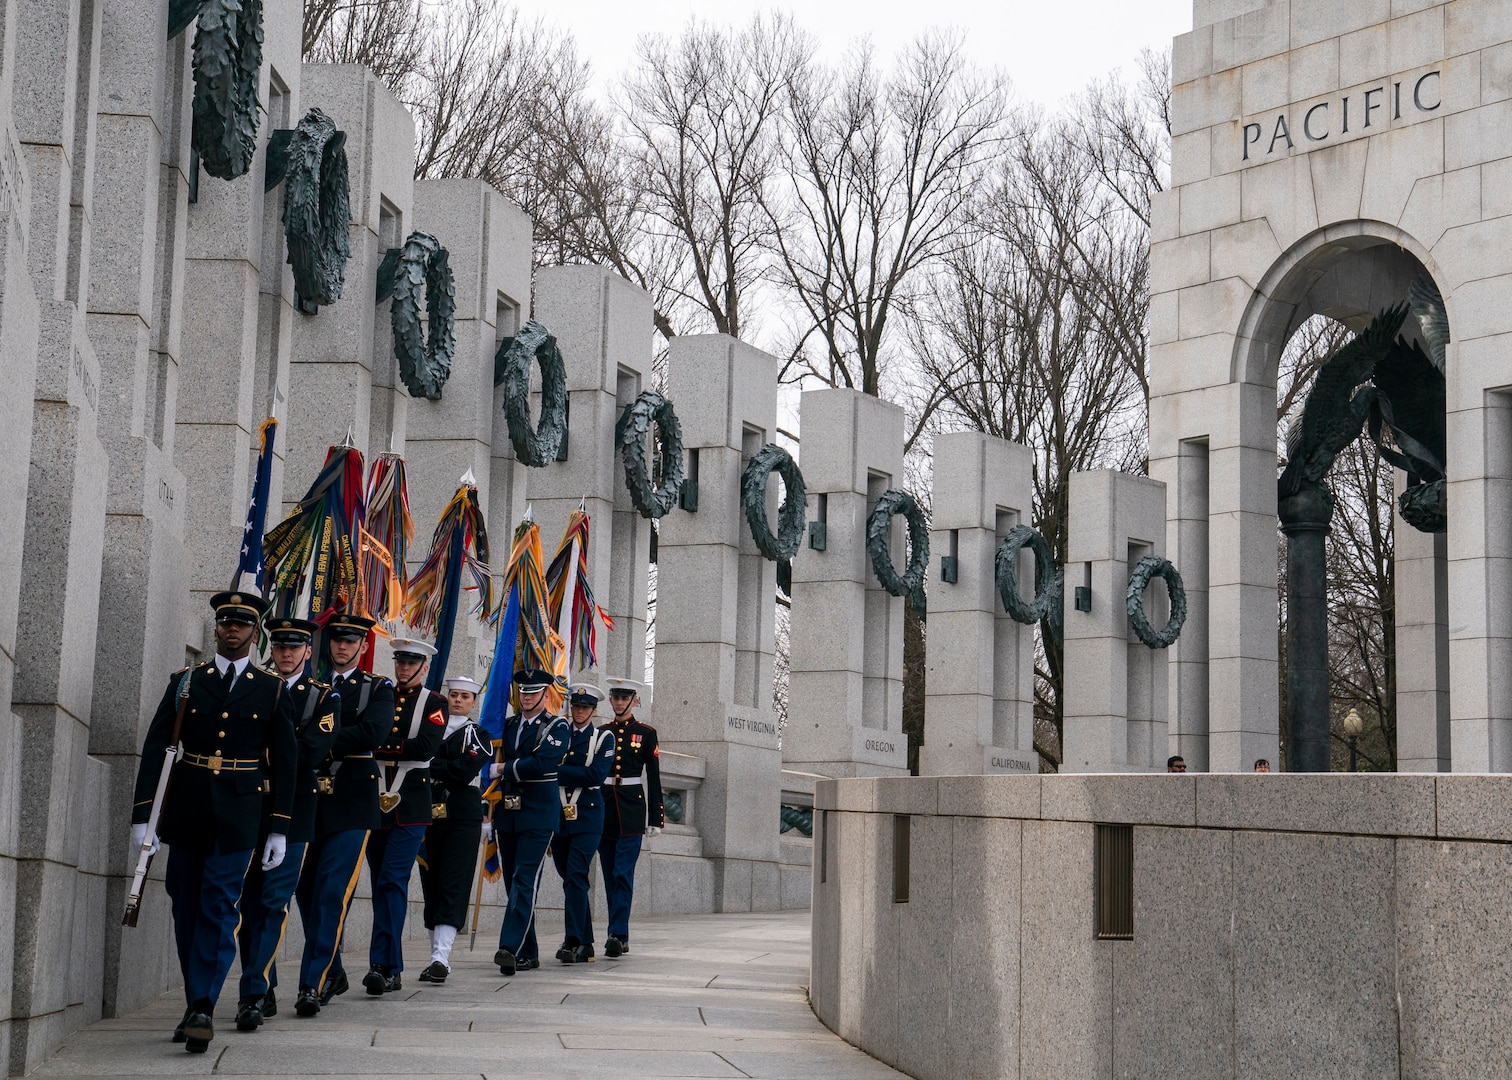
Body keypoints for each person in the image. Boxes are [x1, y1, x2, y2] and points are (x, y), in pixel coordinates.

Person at [129, 591, 297, 1053]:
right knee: (185, 907)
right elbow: (156, 748)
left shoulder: (272, 689)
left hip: (241, 815)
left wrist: (279, 827)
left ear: (254, 631)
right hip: (186, 811)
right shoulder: (186, 682)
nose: (232, 630)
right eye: (226, 622)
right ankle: (193, 1001)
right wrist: (144, 819)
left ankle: (202, 1005)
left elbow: (285, 763)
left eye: (242, 623)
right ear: (217, 627)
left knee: (220, 907)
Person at [234, 618, 338, 1032]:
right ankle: (264, 986)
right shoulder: (255, 684)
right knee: (249, 903)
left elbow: (312, 753)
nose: (287, 654)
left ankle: (252, 993)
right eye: (280, 647)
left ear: (308, 652)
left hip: (294, 810)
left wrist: (267, 747)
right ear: (270, 649)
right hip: (248, 808)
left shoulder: (322, 698)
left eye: (295, 648)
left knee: (275, 901)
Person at [291, 612, 393, 1017]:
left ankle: (310, 984)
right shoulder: (311, 687)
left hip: (353, 800)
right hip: (310, 798)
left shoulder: (377, 688)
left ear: (364, 646)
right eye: (336, 640)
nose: (343, 646)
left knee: (333, 891)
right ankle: (332, 968)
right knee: (303, 889)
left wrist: (317, 738)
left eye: (351, 641)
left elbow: (374, 733)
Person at [362, 637, 447, 996]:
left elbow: (425, 747)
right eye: (400, 662)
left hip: (411, 803)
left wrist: (379, 743)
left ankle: (386, 966)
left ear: (424, 667)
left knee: (392, 880)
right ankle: (385, 964)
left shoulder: (435, 703)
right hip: (373, 799)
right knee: (378, 882)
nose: (403, 668)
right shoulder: (380, 694)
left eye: (411, 663)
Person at [489, 667, 569, 976]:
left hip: (539, 814)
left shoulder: (557, 727)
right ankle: (528, 951)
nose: (526, 697)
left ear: (545, 695)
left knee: (525, 878)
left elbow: (541, 764)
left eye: (533, 692)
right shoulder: (507, 725)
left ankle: (508, 947)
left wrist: (503, 769)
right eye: (522, 691)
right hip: (508, 814)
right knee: (513, 883)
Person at [417, 675, 491, 984]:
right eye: (453, 695)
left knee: (453, 881)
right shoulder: (429, 727)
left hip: (462, 813)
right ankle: (434, 953)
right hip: (427, 809)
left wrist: (430, 764)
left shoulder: (478, 734)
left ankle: (441, 957)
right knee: (430, 881)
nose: (458, 700)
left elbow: (463, 770)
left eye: (464, 696)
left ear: (473, 702)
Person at [597, 676, 664, 958]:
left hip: (632, 811)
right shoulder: (601, 732)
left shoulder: (646, 733)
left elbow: (654, 777)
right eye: (616, 698)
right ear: (611, 700)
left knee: (623, 873)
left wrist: (656, 818)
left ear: (634, 701)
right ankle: (617, 930)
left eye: (625, 698)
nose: (620, 702)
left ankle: (618, 934)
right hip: (604, 807)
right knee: (610, 875)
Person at [553, 683, 616, 964]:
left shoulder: (603, 739)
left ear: (593, 710)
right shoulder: (558, 734)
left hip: (588, 817)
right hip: (558, 816)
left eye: (585, 707)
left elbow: (595, 776)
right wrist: (571, 772)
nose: (579, 712)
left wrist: (558, 771)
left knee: (577, 875)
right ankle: (585, 942)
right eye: (576, 706)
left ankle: (573, 940)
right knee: (569, 879)